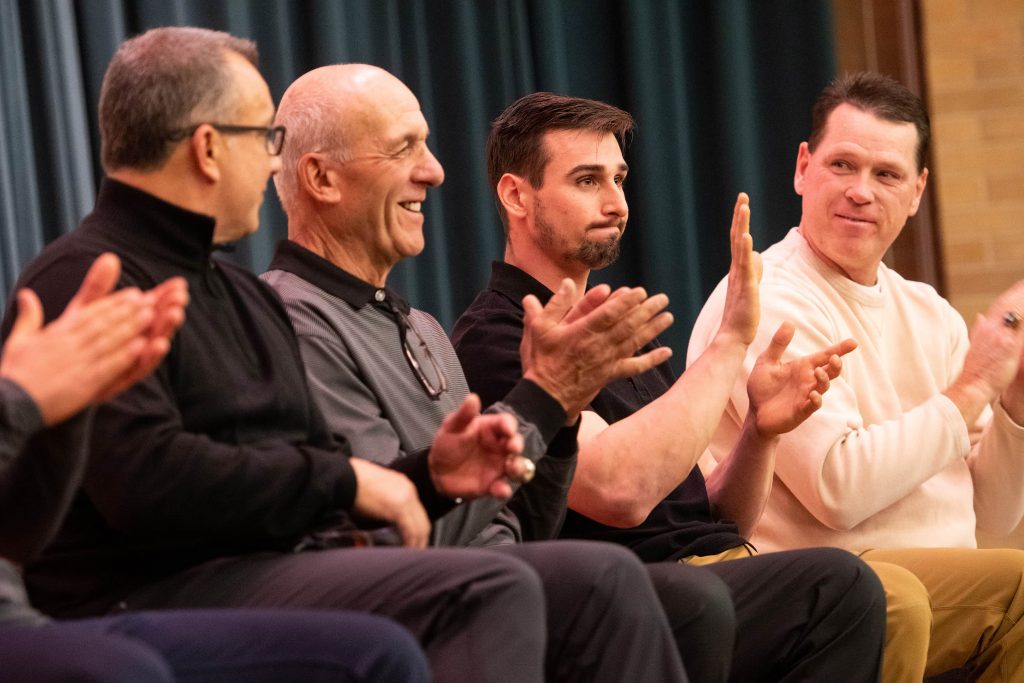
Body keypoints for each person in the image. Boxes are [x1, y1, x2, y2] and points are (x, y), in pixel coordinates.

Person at [0, 28, 685, 683]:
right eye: (266, 138)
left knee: (603, 580)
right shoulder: (89, 278)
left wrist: (432, 475)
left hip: (269, 566)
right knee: (484, 586)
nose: (274, 162)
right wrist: (352, 483)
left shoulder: (242, 295)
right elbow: (145, 484)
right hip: (156, 586)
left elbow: (325, 480)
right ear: (208, 150)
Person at [263, 62, 737, 682]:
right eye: (404, 147)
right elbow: (389, 539)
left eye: (428, 145)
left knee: (703, 602)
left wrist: (560, 415)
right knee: (638, 584)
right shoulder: (290, 319)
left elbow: (520, 527)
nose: (433, 170)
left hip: (501, 579)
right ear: (322, 177)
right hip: (424, 606)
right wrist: (545, 399)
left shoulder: (422, 329)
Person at [453, 91, 887, 683]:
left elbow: (714, 514)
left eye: (619, 179)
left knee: (876, 598)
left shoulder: (616, 321)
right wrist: (731, 342)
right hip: (630, 594)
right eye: (586, 181)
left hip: (707, 566)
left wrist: (761, 432)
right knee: (844, 587)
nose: (615, 203)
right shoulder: (498, 336)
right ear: (516, 195)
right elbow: (621, 492)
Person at [689, 71, 1024, 681]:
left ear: (919, 190)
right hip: (826, 591)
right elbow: (838, 489)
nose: (861, 192)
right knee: (998, 593)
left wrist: (1013, 408)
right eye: (843, 165)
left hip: (941, 586)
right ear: (802, 168)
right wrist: (972, 388)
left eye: (887, 174)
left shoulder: (932, 312)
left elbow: (990, 519)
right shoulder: (766, 298)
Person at [0, 252, 430, 682]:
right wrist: (24, 401)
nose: (269, 178)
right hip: (131, 595)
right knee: (123, 671)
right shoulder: (75, 274)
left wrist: (435, 479)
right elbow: (142, 489)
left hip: (249, 564)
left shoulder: (251, 297)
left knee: (387, 648)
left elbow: (18, 537)